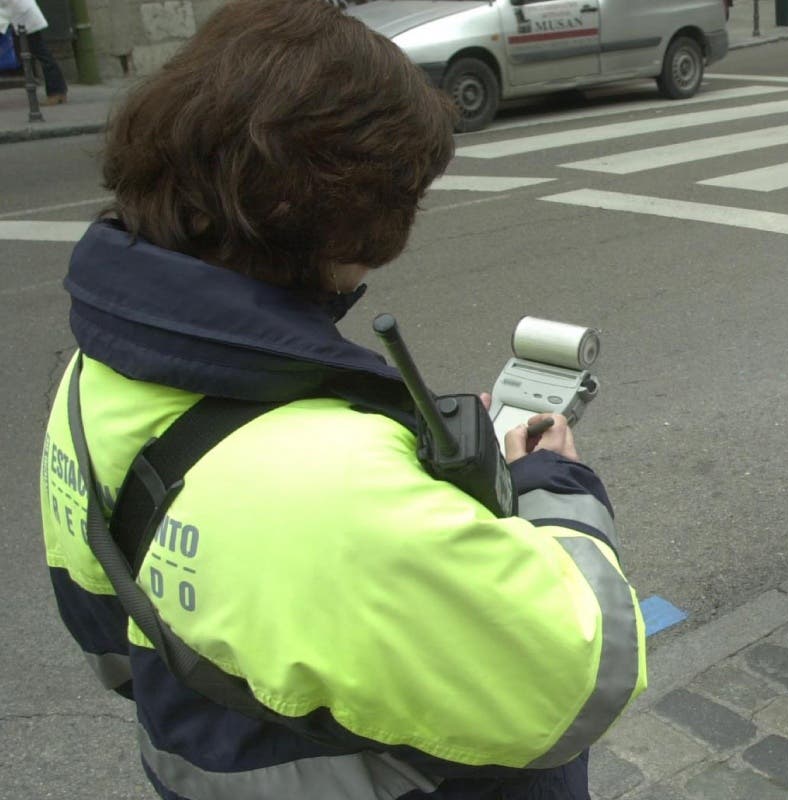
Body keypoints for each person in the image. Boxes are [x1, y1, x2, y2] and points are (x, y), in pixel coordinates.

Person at [37, 0, 647, 798]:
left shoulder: (91, 382)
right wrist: (556, 494)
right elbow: (577, 675)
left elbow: (108, 639)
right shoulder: (339, 481)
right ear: (339, 212)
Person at [0, 0, 67, 103]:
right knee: (40, 53)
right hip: (17, 15)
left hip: (23, 16)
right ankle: (58, 91)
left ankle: (57, 92)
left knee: (42, 54)